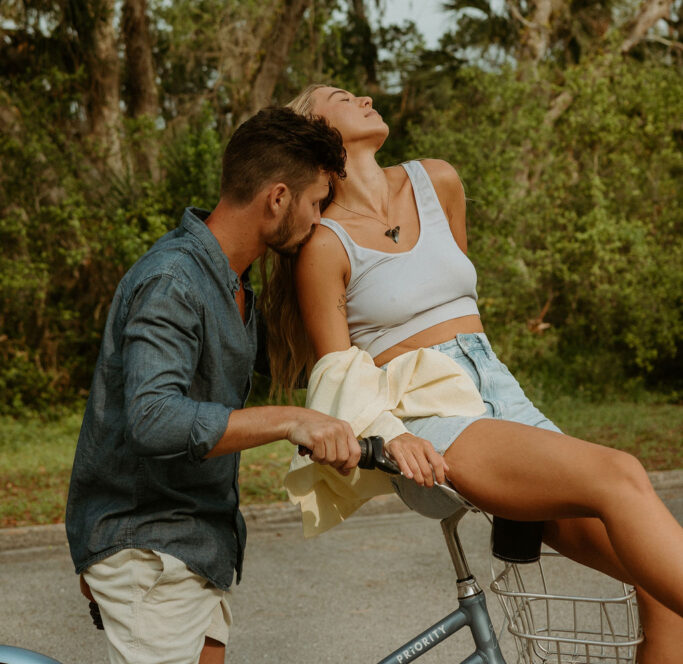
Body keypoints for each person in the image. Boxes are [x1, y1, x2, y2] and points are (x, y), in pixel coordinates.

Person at [262, 84, 683, 664]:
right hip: (424, 419)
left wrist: (497, 402)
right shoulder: (325, 247)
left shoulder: (438, 181)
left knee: (660, 589)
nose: (362, 96)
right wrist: (392, 434)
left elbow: (463, 307)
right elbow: (338, 373)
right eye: (341, 96)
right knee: (620, 471)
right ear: (315, 129)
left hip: (498, 393)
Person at [65, 107, 361, 664]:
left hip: (198, 544)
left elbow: (306, 361)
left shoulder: (234, 284)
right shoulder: (173, 280)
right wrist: (288, 420)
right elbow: (153, 418)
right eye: (317, 204)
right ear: (277, 198)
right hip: (147, 544)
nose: (319, 221)